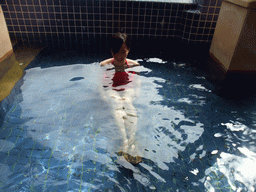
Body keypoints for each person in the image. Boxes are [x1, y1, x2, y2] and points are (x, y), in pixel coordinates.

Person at [100, 33, 142, 164]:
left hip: (128, 89)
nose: (119, 55)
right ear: (111, 50)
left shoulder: (135, 65)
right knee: (117, 103)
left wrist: (135, 95)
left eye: (123, 51)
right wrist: (104, 96)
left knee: (128, 102)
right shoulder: (104, 65)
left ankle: (132, 140)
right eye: (116, 51)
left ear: (128, 50)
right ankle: (125, 140)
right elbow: (101, 87)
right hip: (112, 89)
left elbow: (138, 86)